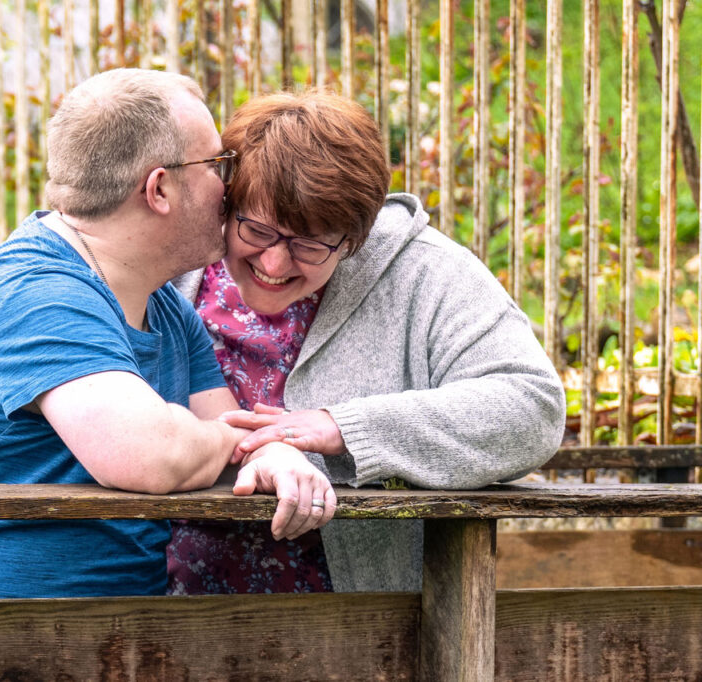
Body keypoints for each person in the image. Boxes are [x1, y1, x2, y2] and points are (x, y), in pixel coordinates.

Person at [0, 69, 336, 601]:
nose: (232, 185)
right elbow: (151, 454)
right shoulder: (37, 294)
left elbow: (233, 434)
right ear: (159, 188)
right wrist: (233, 442)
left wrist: (274, 453)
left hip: (89, 644)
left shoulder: (165, 307)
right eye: (218, 165)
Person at [166, 91, 566, 594]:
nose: (273, 264)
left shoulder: (427, 272)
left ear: (355, 236)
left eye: (309, 244)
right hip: (164, 608)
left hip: (360, 626)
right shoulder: (174, 260)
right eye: (258, 229)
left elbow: (533, 408)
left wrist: (346, 428)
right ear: (228, 200)